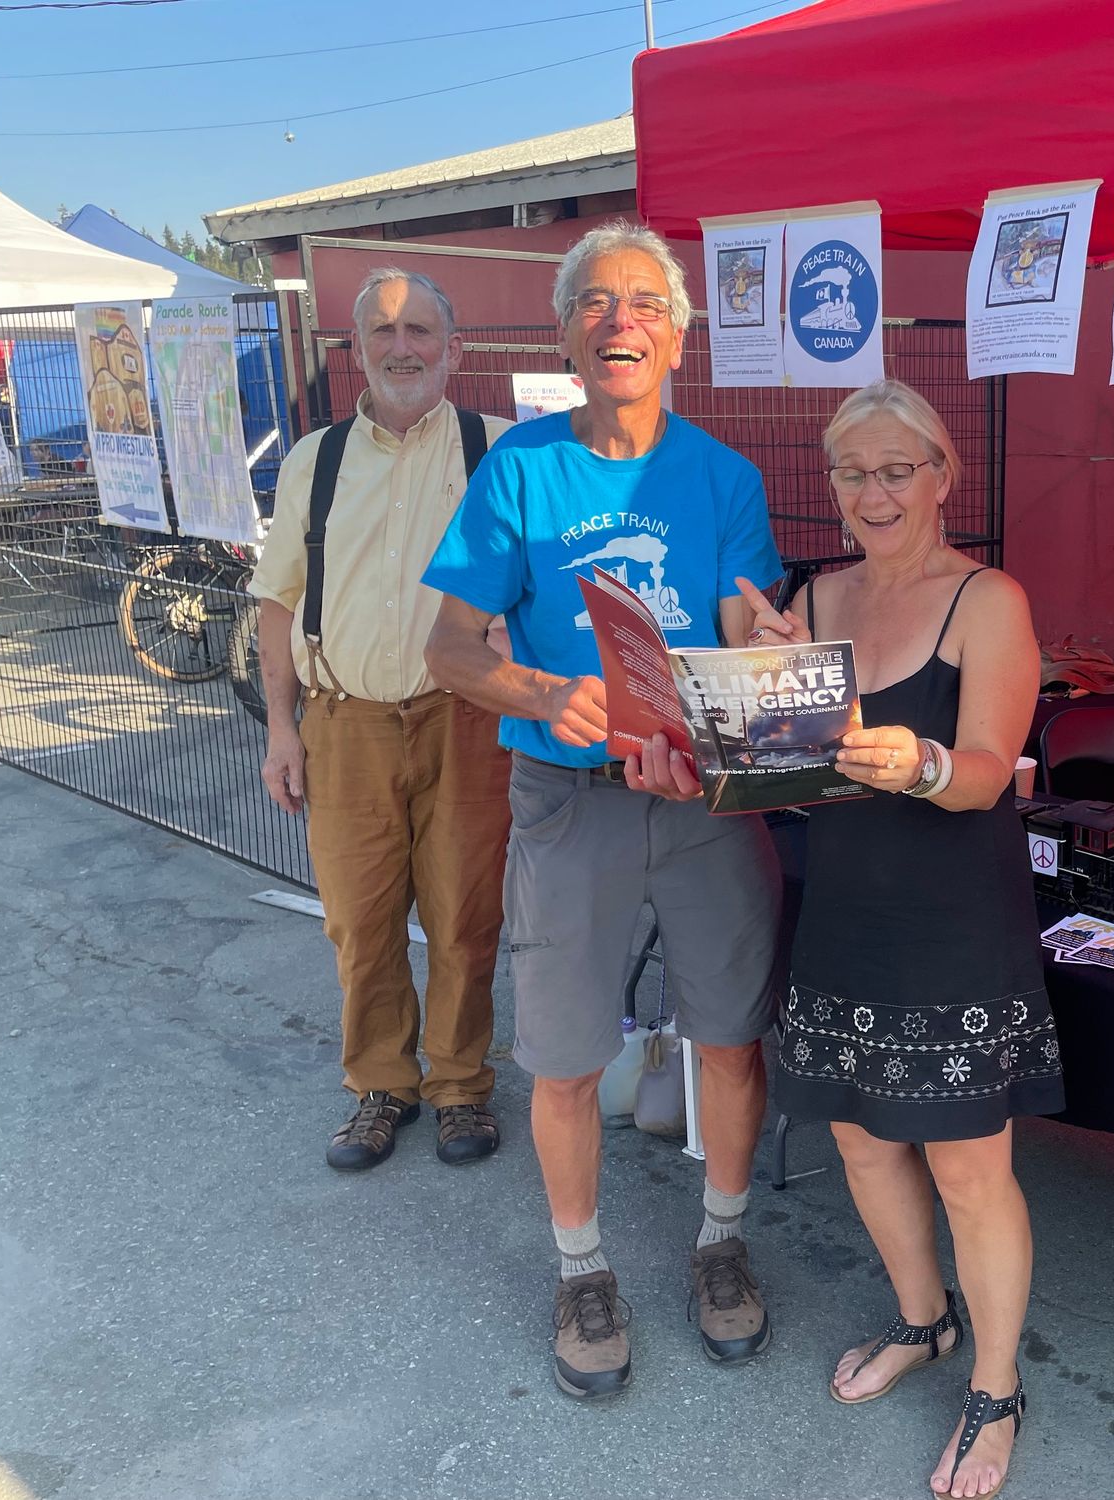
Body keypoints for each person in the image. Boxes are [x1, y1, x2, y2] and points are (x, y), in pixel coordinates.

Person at [421, 222, 785, 1400]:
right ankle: (582, 1268)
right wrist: (539, 690)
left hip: (704, 807)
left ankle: (720, 1242)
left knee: (729, 1036)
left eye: (641, 302)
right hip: (567, 801)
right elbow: (446, 647)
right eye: (593, 303)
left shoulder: (725, 478)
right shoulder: (519, 470)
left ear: (677, 335)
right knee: (567, 1056)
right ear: (566, 335)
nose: (617, 319)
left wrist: (768, 652)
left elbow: (742, 632)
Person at [743, 379, 1060, 1500]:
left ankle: (995, 1387)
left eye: (894, 469)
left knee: (970, 1166)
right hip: (844, 909)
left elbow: (983, 775)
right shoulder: (813, 599)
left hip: (952, 919)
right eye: (850, 472)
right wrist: (757, 698)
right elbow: (788, 782)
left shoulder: (986, 599)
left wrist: (913, 761)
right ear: (828, 488)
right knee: (864, 1141)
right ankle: (922, 1322)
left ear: (940, 476)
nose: (872, 492)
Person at [249, 267, 512, 1173]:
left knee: (465, 913)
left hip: (469, 719)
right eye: (384, 332)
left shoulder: (501, 452)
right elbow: (277, 602)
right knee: (359, 919)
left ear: (455, 347)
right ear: (354, 349)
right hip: (343, 720)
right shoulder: (311, 462)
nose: (404, 348)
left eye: (422, 331)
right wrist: (281, 729)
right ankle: (380, 1083)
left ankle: (461, 1085)